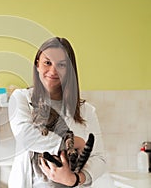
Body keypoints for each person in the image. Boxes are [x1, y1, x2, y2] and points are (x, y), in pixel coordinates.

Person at [8, 37, 106, 187]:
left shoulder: (87, 111)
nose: (53, 71)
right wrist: (72, 143)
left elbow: (99, 159)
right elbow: (25, 136)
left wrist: (74, 179)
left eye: (61, 65)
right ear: (37, 65)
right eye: (47, 62)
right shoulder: (21, 97)